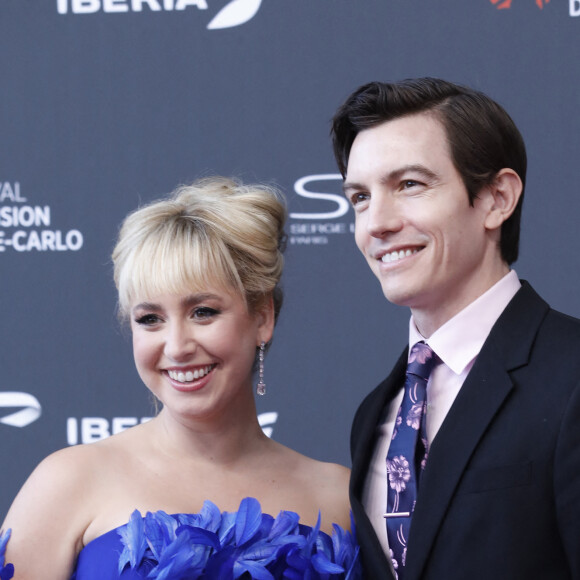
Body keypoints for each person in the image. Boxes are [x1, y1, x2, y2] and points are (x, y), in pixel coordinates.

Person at [1, 177, 360, 579]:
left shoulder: (338, 497)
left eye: (203, 312)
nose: (176, 346)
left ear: (262, 317)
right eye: (150, 319)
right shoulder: (69, 482)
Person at [330, 78, 580, 579]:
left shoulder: (572, 374)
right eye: (359, 197)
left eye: (409, 185)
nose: (376, 223)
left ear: (496, 198)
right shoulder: (374, 415)